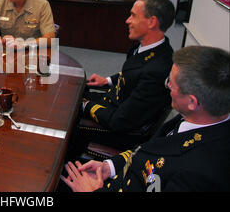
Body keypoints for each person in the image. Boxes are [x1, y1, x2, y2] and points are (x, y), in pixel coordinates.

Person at [61, 46, 230, 192]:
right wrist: (109, 167)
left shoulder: (198, 174)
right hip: (118, 175)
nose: (166, 86)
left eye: (171, 83)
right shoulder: (198, 118)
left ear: (192, 102)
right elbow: (147, 151)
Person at [74, 0, 175, 150]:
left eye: (133, 16)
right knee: (72, 90)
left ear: (152, 22)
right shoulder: (145, 48)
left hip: (120, 130)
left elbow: (119, 121)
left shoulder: (158, 69)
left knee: (64, 115)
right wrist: (107, 80)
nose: (127, 20)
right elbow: (132, 74)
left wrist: (84, 105)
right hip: (115, 103)